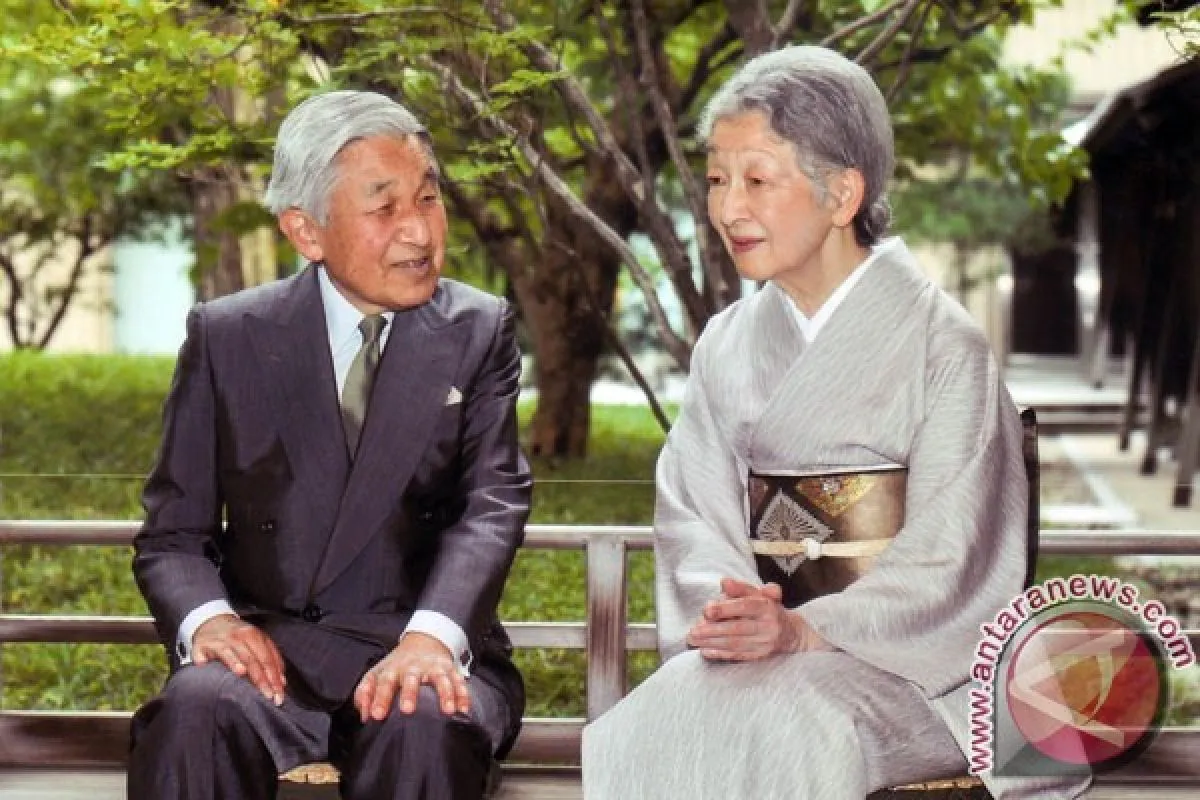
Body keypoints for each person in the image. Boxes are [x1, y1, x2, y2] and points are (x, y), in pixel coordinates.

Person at [582, 46, 1089, 799]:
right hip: (763, 654)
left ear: (842, 193)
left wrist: (807, 630)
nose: (727, 209)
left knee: (794, 721)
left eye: (757, 180)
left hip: (921, 671)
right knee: (659, 715)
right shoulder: (726, 343)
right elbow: (693, 515)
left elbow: (952, 561)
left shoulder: (944, 345)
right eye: (717, 180)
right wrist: (738, 616)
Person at [129, 90, 532, 800]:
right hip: (270, 654)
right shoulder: (228, 336)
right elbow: (172, 536)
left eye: (428, 198)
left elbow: (490, 510)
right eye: (384, 208)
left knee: (422, 720)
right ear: (305, 231)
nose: (419, 231)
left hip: (421, 644)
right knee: (195, 711)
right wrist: (212, 621)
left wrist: (432, 637)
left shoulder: (478, 329)